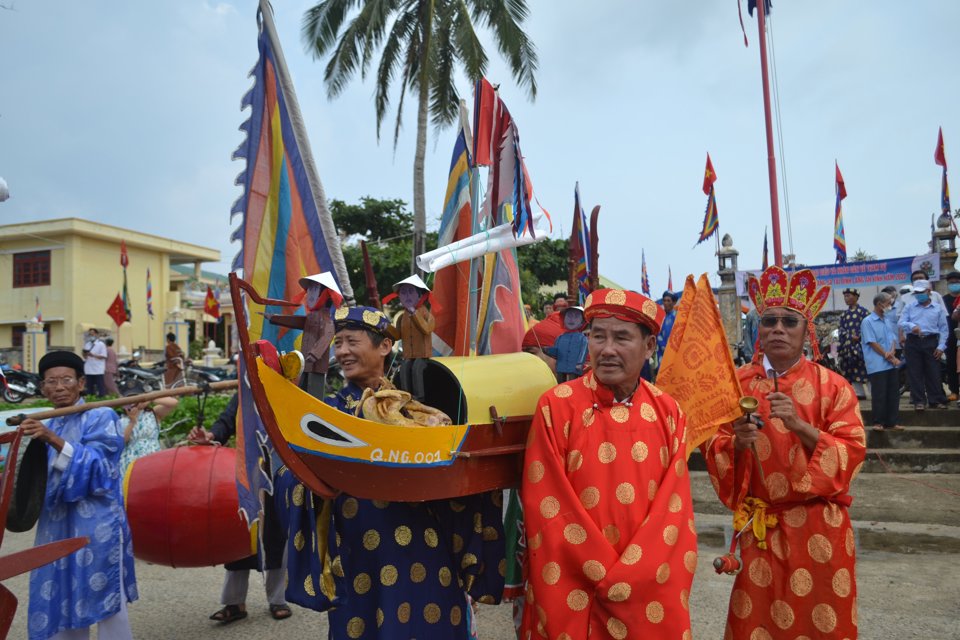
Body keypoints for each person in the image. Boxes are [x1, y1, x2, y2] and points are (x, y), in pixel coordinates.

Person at [275, 306, 505, 639]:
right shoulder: (326, 414)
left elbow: (455, 475)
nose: (342, 352)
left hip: (425, 547)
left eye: (351, 341)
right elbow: (292, 472)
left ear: (384, 346)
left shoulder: (416, 408)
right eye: (337, 343)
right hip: (358, 552)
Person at [520, 288, 697, 639]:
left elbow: (674, 511)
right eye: (598, 336)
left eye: (622, 338)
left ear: (649, 347)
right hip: (574, 584)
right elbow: (547, 504)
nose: (608, 349)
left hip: (647, 584)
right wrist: (602, 572)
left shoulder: (669, 412)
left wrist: (634, 574)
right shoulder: (557, 406)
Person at [700, 266, 866, 639]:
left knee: (822, 620)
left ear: (807, 331)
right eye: (769, 320)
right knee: (756, 621)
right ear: (758, 328)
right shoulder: (735, 384)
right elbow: (712, 443)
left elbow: (852, 453)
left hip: (819, 526)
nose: (778, 328)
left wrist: (801, 427)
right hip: (761, 526)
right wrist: (735, 443)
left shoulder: (833, 387)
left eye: (789, 322)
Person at [20, 351, 138, 640]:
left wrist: (52, 440)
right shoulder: (48, 420)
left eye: (66, 380)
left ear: (81, 383)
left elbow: (101, 469)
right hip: (56, 521)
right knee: (59, 588)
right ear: (42, 387)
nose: (59, 387)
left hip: (97, 522)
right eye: (51, 382)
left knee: (103, 591)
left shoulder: (101, 415)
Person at [188, 394, 292, 623]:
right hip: (245, 472)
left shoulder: (288, 386)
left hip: (278, 471)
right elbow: (226, 420)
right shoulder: (245, 388)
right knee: (237, 533)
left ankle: (278, 599)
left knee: (276, 537)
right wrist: (212, 436)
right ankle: (234, 602)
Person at [267, 272, 343, 397]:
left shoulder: (326, 318)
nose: (310, 295)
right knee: (302, 391)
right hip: (306, 361)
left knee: (314, 392)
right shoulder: (311, 316)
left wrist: (315, 353)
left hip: (316, 364)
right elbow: (297, 321)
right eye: (310, 290)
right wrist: (274, 318)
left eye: (315, 290)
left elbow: (328, 334)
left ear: (326, 295)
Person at [899, 279, 949, 410]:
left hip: (931, 341)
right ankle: (919, 401)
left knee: (933, 371)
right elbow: (901, 322)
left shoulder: (938, 309)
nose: (919, 295)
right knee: (915, 372)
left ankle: (935, 400)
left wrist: (941, 346)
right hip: (913, 340)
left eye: (921, 292)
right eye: (916, 292)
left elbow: (944, 329)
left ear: (928, 292)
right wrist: (912, 326)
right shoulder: (909, 307)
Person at [862, 292, 902, 431]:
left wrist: (892, 351)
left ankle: (892, 422)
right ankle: (878, 422)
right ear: (880, 304)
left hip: (890, 362)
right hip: (877, 364)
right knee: (879, 394)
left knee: (893, 393)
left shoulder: (887, 319)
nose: (890, 306)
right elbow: (872, 342)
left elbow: (892, 338)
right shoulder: (867, 321)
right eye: (889, 303)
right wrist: (889, 356)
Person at [394, 274, 435, 399]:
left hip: (422, 355)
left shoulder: (425, 314)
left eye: (410, 292)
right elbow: (397, 335)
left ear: (420, 295)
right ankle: (407, 395)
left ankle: (420, 395)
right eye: (403, 293)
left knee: (417, 368)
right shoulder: (402, 317)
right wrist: (385, 327)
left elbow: (427, 329)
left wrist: (415, 314)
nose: (406, 296)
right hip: (408, 355)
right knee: (405, 367)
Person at [118, 396, 179, 476]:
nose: (135, 402)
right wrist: (132, 422)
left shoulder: (153, 413)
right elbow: (123, 441)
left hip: (152, 455)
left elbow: (173, 403)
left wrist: (150, 398)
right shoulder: (122, 421)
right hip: (131, 460)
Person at [837, 288, 870, 398]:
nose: (846, 298)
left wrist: (859, 336)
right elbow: (841, 329)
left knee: (866, 367)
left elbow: (869, 327)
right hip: (848, 347)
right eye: (845, 296)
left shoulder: (864, 312)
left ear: (856, 297)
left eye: (849, 296)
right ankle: (859, 392)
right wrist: (849, 337)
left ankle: (873, 392)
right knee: (851, 368)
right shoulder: (844, 315)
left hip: (862, 346)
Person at [543, 306, 588, 382]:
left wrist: (580, 363)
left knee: (573, 383)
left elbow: (583, 352)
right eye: (569, 316)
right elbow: (557, 352)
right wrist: (548, 350)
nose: (571, 319)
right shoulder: (560, 338)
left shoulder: (582, 338)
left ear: (582, 322)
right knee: (560, 383)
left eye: (576, 316)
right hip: (561, 365)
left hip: (574, 366)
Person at [943, 270, 960, 403]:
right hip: (950, 336)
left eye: (957, 282)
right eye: (951, 283)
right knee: (952, 365)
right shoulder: (943, 300)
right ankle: (954, 391)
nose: (954, 284)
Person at [655, 290, 677, 369]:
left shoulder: (678, 316)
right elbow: (657, 333)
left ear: (674, 303)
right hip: (661, 351)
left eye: (668, 301)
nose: (666, 303)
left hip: (674, 352)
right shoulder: (660, 316)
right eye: (664, 300)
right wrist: (664, 347)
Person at [82, 329, 107, 397]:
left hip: (98, 369)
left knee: (100, 386)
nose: (91, 335)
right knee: (89, 386)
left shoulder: (101, 344)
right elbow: (84, 356)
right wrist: (85, 354)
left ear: (96, 334)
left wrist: (93, 355)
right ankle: (90, 398)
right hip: (88, 368)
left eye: (93, 334)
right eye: (90, 334)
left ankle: (101, 398)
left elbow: (104, 356)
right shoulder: (87, 344)